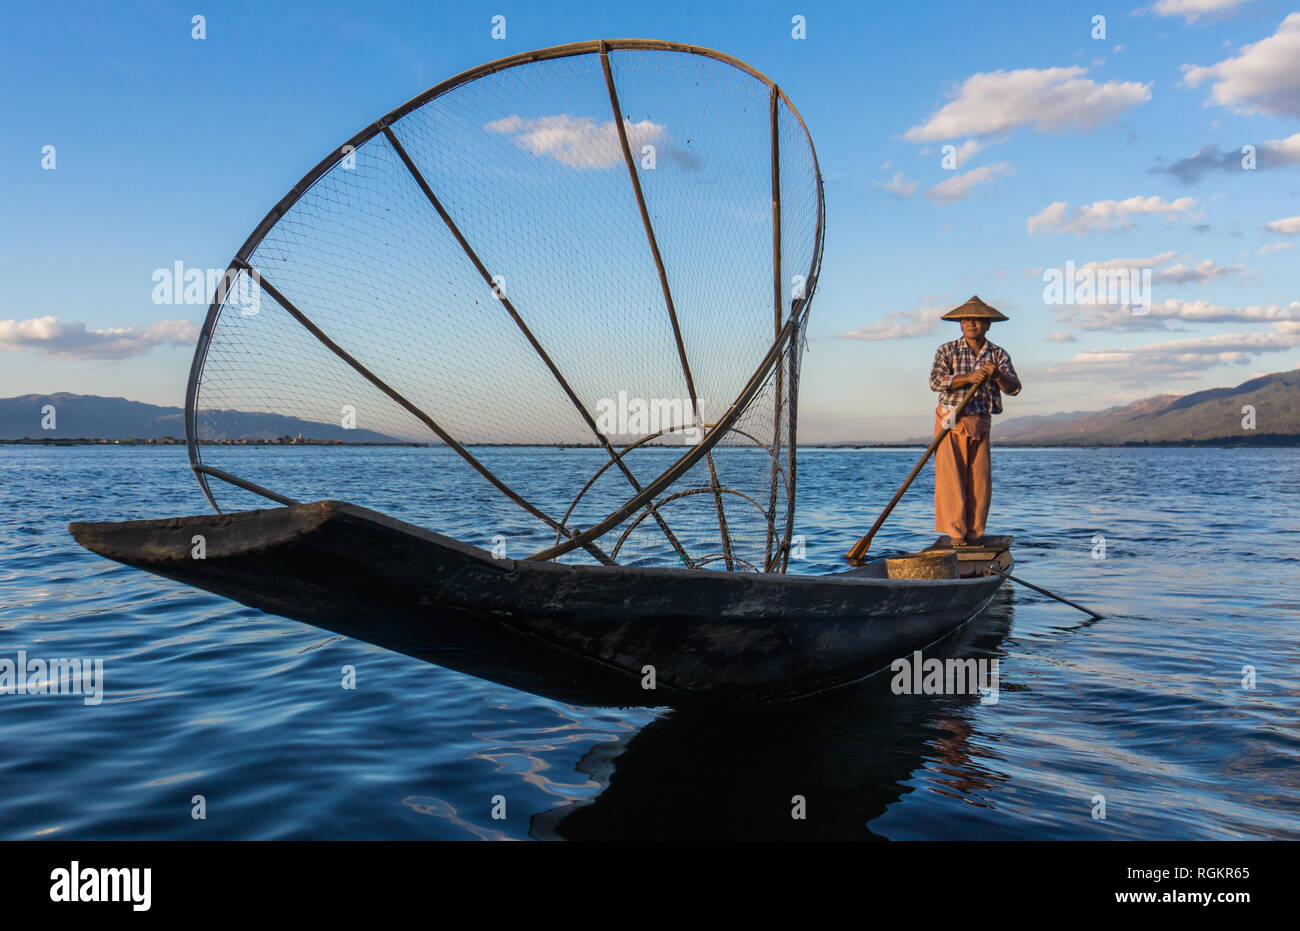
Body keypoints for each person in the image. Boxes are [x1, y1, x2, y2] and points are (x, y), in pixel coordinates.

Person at [928, 295, 1021, 548]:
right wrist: (968, 377)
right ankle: (956, 534)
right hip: (950, 419)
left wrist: (997, 374)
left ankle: (974, 534)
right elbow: (936, 382)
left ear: (988, 324)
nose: (972, 324)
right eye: (967, 320)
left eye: (978, 320)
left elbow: (1014, 388)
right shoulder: (947, 350)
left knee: (979, 481)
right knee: (952, 479)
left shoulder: (997, 354)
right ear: (960, 324)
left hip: (980, 421)